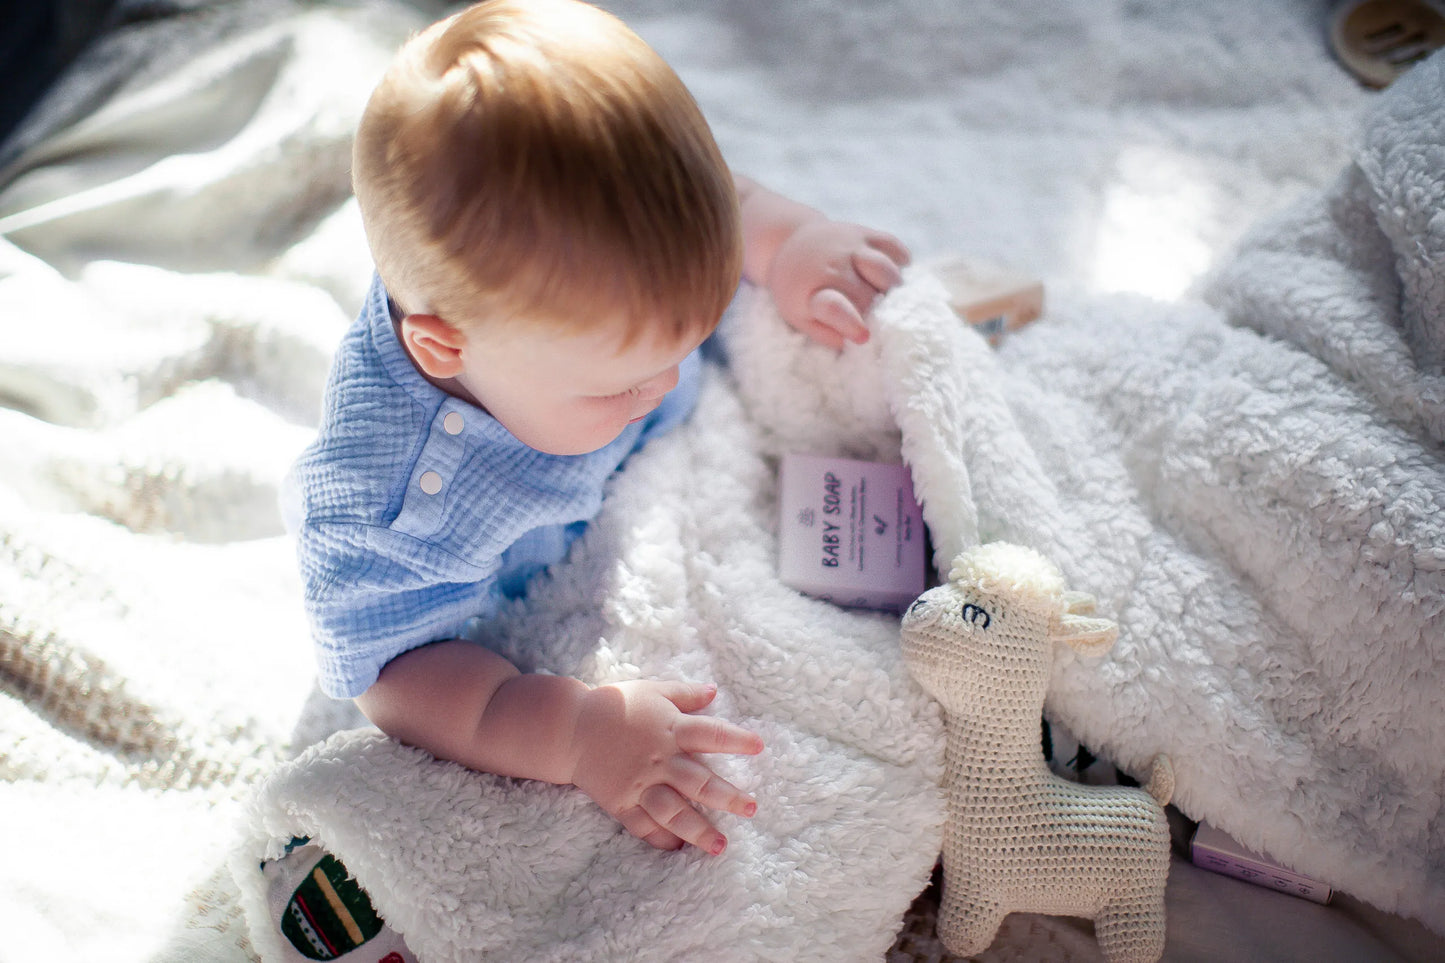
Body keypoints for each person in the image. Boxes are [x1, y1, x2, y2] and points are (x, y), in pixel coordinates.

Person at [289, 0, 911, 860]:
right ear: (444, 348)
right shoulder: (393, 507)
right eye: (623, 380)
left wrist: (790, 241)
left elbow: (726, 206)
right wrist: (573, 732)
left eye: (685, 343)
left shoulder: (587, 285)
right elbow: (394, 678)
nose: (663, 383)